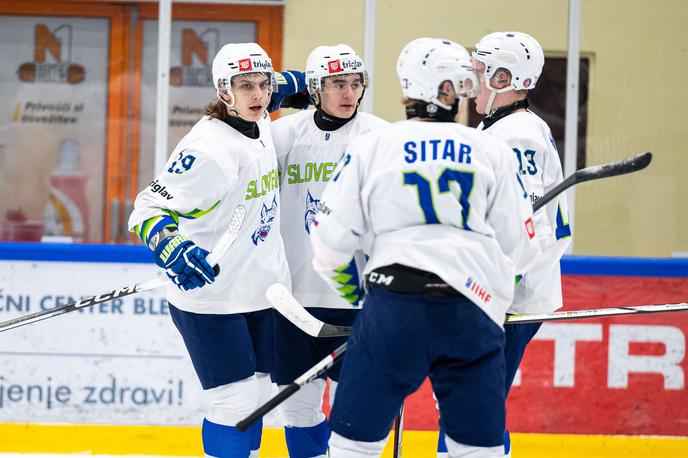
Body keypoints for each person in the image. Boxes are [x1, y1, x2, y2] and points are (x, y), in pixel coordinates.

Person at [309, 37, 541, 458]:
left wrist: (360, 297)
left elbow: (328, 242)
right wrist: (488, 295)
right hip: (469, 310)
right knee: (478, 450)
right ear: (450, 89)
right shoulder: (490, 148)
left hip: (393, 307)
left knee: (352, 447)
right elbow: (523, 250)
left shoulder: (372, 146)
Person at [128, 42, 290, 458]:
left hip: (259, 290)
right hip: (211, 298)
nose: (258, 95)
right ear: (223, 91)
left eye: (263, 84)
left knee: (253, 400)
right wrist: (174, 248)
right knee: (232, 405)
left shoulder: (261, 119)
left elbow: (295, 84)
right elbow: (147, 209)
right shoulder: (208, 150)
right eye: (245, 86)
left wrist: (314, 84)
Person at [435, 31, 573, 458]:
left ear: (503, 77)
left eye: (479, 72)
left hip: (511, 297)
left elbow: (526, 227)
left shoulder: (517, 135)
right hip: (501, 291)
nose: (471, 81)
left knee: (472, 401)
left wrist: (490, 285)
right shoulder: (500, 127)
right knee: (469, 399)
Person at [270, 44, 389, 458]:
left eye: (356, 83)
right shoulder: (282, 134)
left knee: (355, 412)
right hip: (294, 298)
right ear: (315, 88)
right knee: (297, 408)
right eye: (338, 83)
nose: (349, 93)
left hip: (360, 299)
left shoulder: (381, 136)